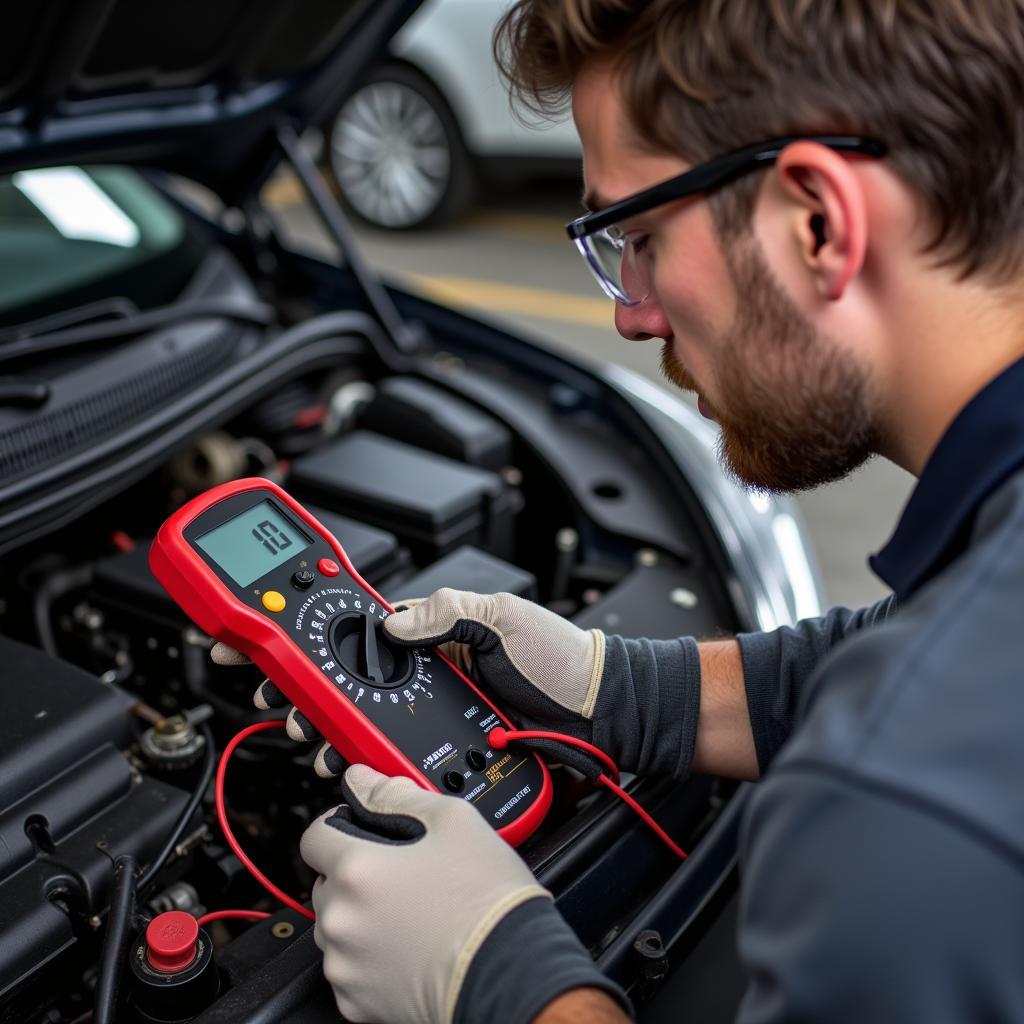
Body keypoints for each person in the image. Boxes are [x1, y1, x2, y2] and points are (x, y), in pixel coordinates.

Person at [252, 2, 1024, 1021]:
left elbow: (915, 736)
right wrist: (615, 686)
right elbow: (911, 655)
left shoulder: (895, 811)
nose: (630, 310)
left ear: (819, 223)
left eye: (640, 235)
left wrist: (494, 979)